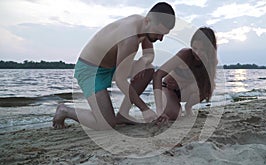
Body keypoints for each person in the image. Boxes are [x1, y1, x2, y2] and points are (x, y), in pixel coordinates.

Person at [53, 2, 176, 130]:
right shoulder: (130, 39)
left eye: (164, 34)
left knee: (148, 69)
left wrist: (143, 61)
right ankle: (65, 110)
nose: (161, 38)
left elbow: (149, 54)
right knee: (106, 124)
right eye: (159, 33)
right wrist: (145, 109)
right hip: (91, 70)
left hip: (112, 67)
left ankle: (123, 114)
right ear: (148, 20)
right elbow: (120, 80)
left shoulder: (144, 26)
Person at [153, 27, 218, 123]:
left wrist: (184, 82)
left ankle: (188, 107)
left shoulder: (212, 62)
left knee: (209, 87)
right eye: (195, 48)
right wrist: (159, 110)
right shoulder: (185, 54)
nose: (197, 53)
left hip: (184, 90)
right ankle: (170, 106)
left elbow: (208, 86)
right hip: (168, 88)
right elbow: (157, 75)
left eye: (202, 50)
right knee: (173, 115)